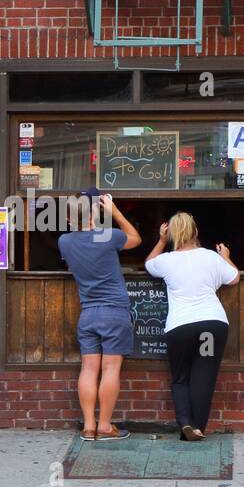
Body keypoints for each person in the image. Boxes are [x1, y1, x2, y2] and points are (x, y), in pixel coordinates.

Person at [145, 212, 239, 441]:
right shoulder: (210, 257)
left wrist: (160, 241)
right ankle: (197, 427)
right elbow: (234, 277)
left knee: (180, 378)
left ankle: (186, 423)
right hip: (211, 325)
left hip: (180, 328)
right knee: (203, 376)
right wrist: (225, 256)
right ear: (196, 232)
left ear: (172, 235)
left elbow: (148, 264)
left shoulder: (166, 260)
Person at [58, 188, 141, 441]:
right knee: (111, 368)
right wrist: (115, 211)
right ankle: (105, 426)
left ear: (70, 219)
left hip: (88, 314)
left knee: (89, 368)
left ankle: (89, 426)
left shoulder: (65, 241)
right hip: (114, 311)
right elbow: (135, 238)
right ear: (95, 213)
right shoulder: (109, 236)